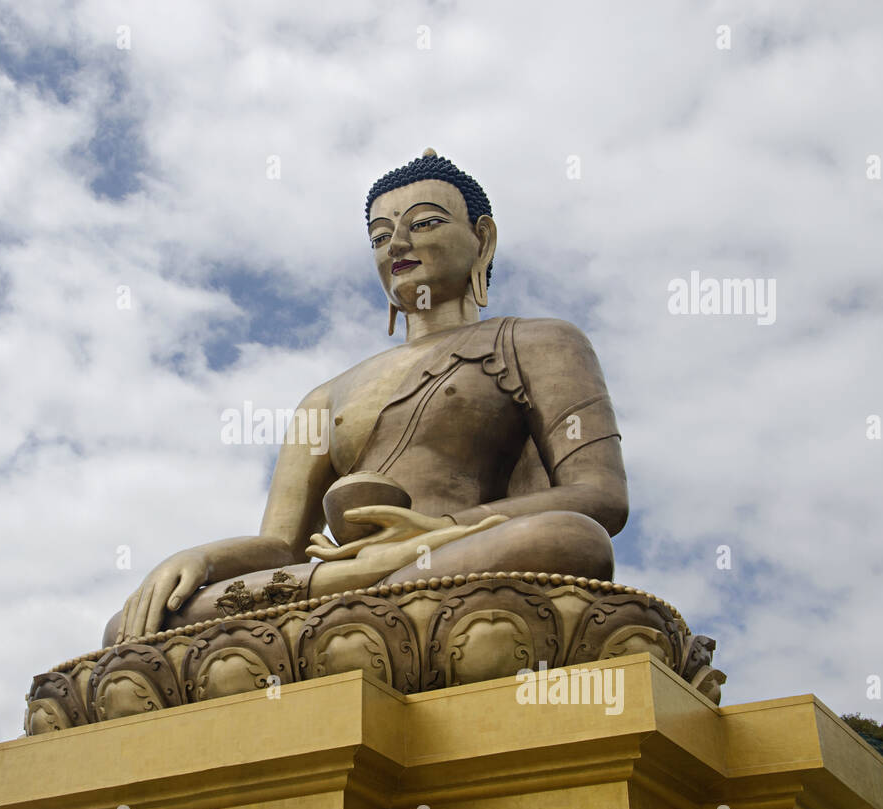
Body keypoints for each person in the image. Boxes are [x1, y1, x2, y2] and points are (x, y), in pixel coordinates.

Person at [105, 150, 627, 646]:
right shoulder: (326, 396)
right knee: (138, 623)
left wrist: (433, 534)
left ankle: (362, 597)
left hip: (460, 557)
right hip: (351, 577)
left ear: (482, 239)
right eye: (380, 236)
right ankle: (367, 591)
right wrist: (203, 560)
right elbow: (284, 548)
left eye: (423, 223)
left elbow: (600, 497)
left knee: (569, 540)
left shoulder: (540, 341)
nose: (397, 245)